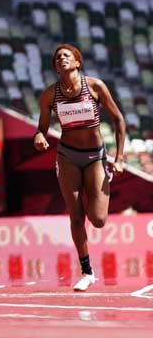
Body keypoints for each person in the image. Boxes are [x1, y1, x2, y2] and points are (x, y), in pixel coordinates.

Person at [34, 44, 126, 291]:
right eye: (57, 57)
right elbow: (42, 128)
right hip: (67, 156)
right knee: (75, 216)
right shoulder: (49, 95)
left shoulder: (95, 86)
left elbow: (118, 120)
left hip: (95, 157)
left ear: (77, 62)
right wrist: (39, 137)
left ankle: (104, 176)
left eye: (67, 55)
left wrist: (119, 158)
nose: (62, 58)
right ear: (55, 66)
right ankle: (87, 271)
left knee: (97, 219)